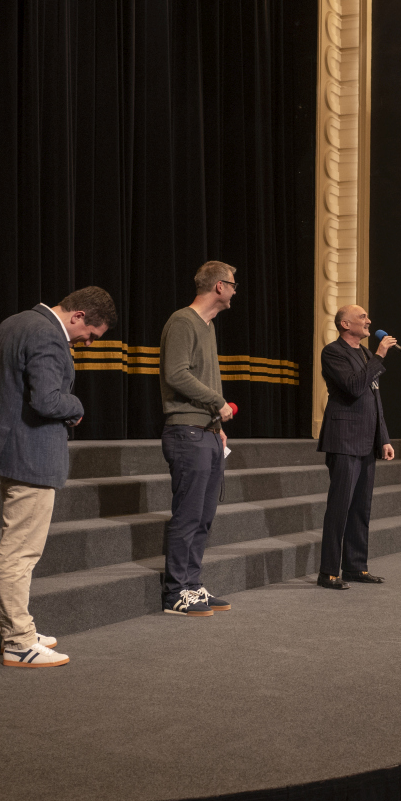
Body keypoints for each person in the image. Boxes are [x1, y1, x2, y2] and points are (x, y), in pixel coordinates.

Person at [0, 286, 117, 666]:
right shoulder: (48, 335)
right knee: (20, 551)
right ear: (78, 316)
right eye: (90, 334)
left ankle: (20, 627)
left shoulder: (13, 323)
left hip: (11, 448)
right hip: (31, 455)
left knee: (18, 548)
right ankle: (18, 642)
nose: (88, 343)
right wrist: (77, 406)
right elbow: (48, 400)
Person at [158, 261, 239, 616]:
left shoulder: (208, 326)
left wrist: (218, 426)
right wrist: (217, 402)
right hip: (186, 432)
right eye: (233, 284)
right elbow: (176, 374)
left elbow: (206, 378)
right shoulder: (183, 321)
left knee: (204, 516)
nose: (235, 291)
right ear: (219, 286)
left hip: (207, 432)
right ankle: (175, 592)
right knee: (188, 516)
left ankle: (192, 585)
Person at [316, 305, 397, 590]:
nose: (369, 321)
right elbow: (353, 386)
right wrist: (380, 355)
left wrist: (384, 438)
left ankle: (355, 566)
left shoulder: (365, 354)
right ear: (345, 324)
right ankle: (328, 572)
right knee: (340, 507)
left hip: (367, 440)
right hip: (344, 438)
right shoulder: (333, 352)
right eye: (362, 317)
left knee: (361, 507)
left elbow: (374, 399)